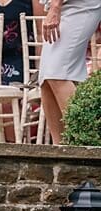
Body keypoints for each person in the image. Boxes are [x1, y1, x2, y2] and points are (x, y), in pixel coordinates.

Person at [38, 0, 101, 144]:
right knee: (46, 80)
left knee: (57, 74)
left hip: (78, 4)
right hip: (64, 5)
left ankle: (86, 142)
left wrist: (55, 6)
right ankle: (60, 149)